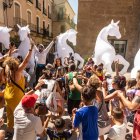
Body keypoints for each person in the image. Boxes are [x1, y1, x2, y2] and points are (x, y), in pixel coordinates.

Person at [2, 39, 34, 137]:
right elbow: (26, 61)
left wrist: (11, 52)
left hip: (7, 96)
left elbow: (8, 61)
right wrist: (31, 49)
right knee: (19, 116)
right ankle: (17, 133)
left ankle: (8, 131)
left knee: (10, 116)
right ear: (15, 63)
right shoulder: (18, 71)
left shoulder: (8, 71)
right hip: (16, 97)